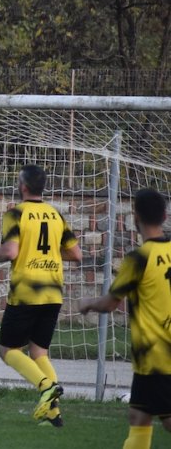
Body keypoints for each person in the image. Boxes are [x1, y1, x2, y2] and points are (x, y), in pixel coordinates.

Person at [0, 164, 82, 426]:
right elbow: (76, 255)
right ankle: (54, 413)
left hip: (26, 292)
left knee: (7, 349)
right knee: (39, 352)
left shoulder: (16, 214)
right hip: (53, 291)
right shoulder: (56, 215)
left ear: (22, 186)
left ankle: (45, 387)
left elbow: (10, 252)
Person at [80, 188, 171, 449]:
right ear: (164, 216)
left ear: (135, 218)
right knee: (139, 416)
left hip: (157, 355)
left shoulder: (138, 259)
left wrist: (87, 303)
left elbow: (110, 303)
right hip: (153, 357)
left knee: (164, 420)